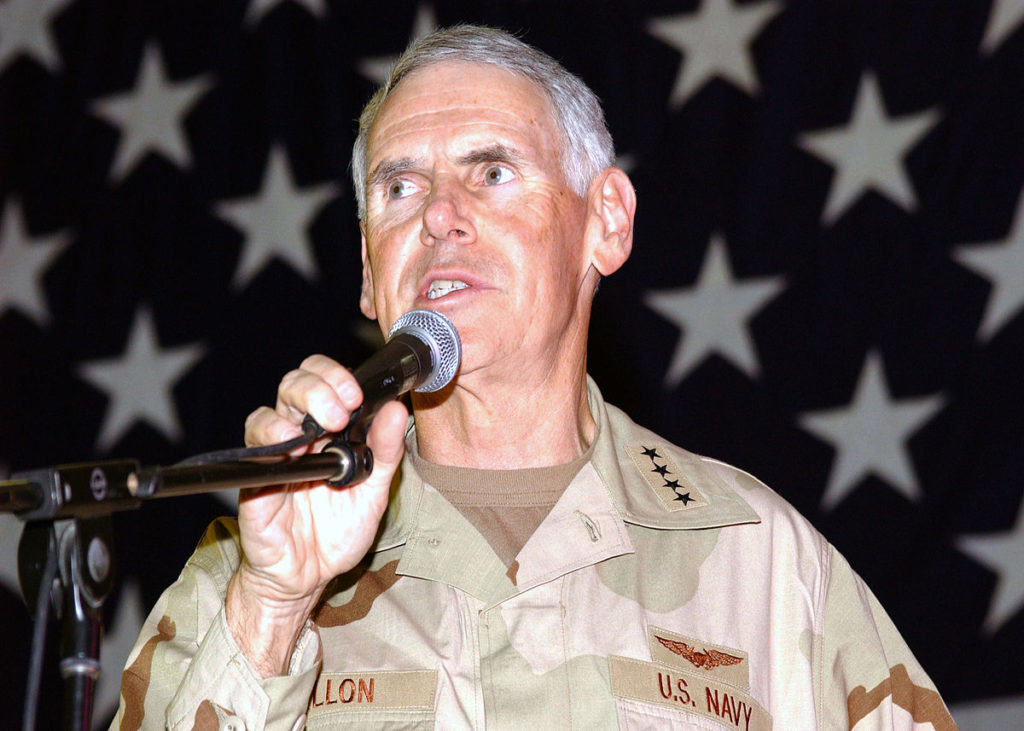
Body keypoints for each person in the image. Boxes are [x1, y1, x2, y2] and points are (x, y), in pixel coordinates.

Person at [113, 25, 955, 730]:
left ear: (606, 222)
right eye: (399, 187)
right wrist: (273, 607)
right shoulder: (251, 574)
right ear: (369, 273)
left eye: (491, 172)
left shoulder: (760, 561)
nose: (439, 214)